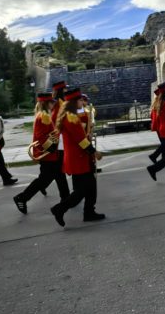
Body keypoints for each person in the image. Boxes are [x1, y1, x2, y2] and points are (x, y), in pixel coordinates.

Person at [50, 88, 105, 227]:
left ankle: (88, 212)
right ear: (74, 102)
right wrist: (94, 152)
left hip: (77, 157)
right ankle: (60, 209)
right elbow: (81, 141)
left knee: (88, 187)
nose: (83, 102)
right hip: (78, 158)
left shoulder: (70, 116)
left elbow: (80, 137)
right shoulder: (71, 119)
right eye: (80, 100)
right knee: (83, 190)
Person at [13, 93, 69, 214]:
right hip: (48, 154)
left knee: (59, 175)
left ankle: (66, 199)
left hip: (51, 153)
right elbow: (41, 137)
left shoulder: (44, 115)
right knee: (45, 179)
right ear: (45, 103)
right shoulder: (44, 116)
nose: (53, 104)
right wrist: (53, 146)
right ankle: (22, 198)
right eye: (51, 102)